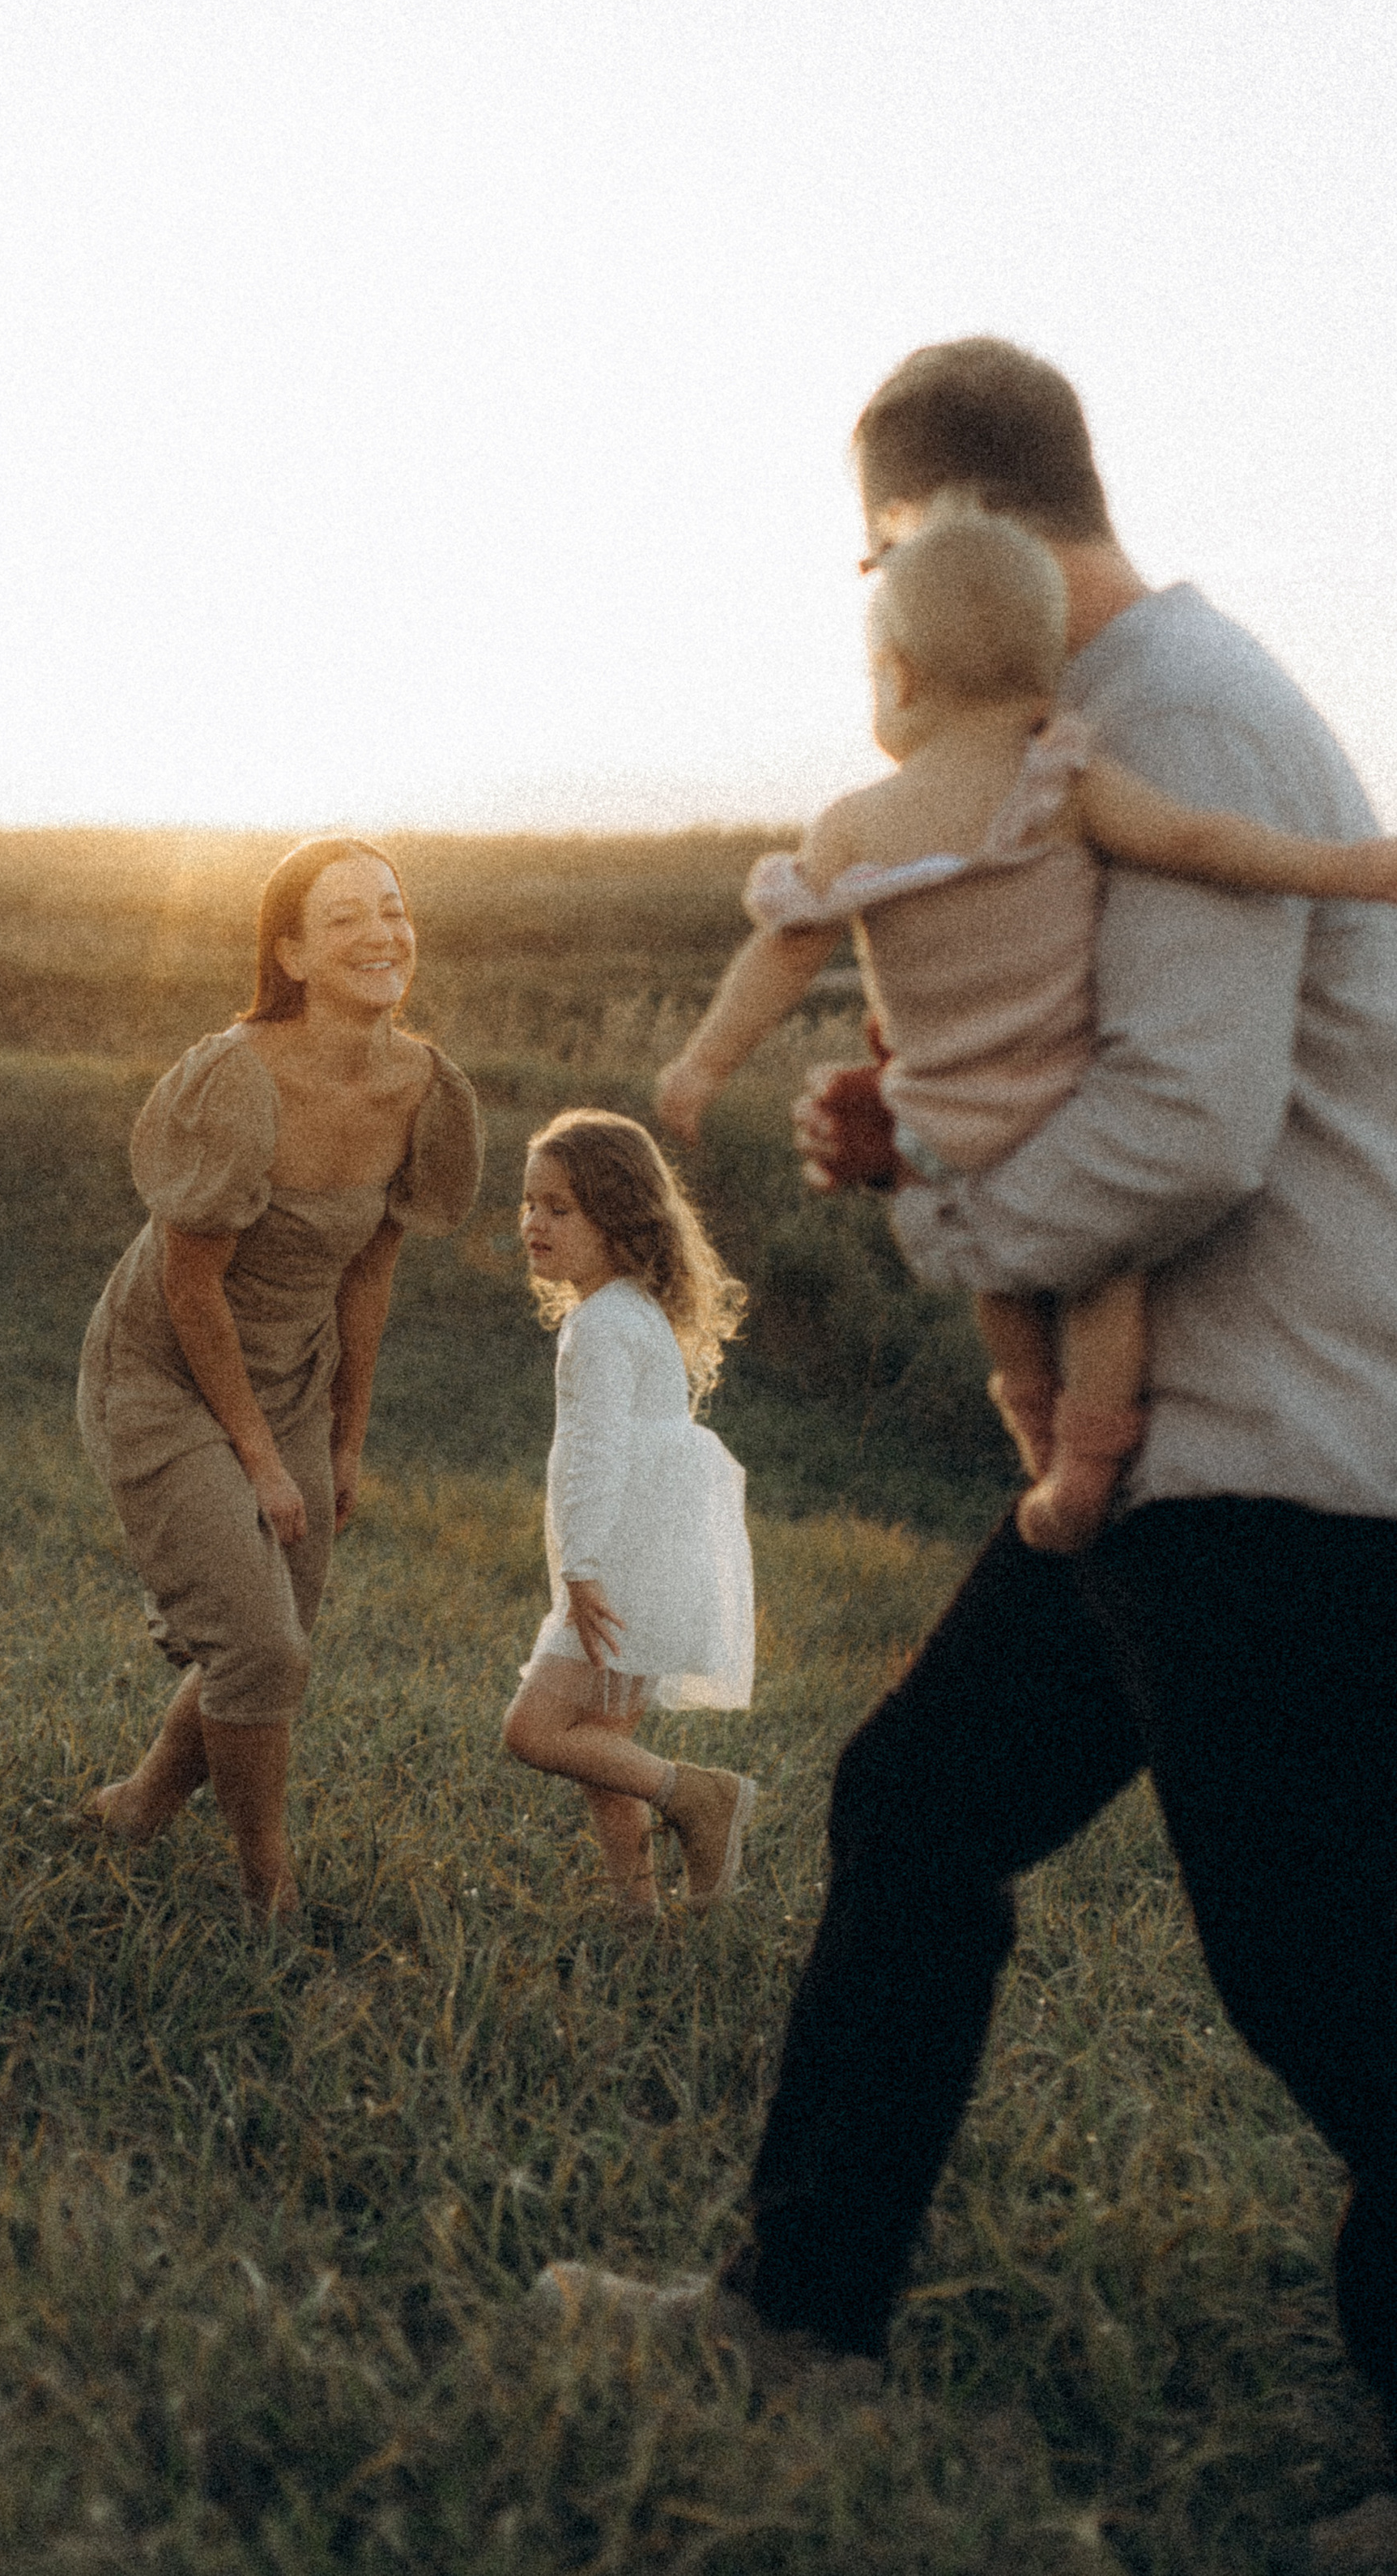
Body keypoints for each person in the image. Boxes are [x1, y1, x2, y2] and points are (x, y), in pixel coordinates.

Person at [548, 338, 1397, 2557]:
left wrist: (940, 1207)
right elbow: (1103, 1067)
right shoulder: (1088, 731)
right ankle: (793, 2326)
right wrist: (910, 1117)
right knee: (916, 1809)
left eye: (874, 562)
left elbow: (1192, 1135)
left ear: (924, 534)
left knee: (1321, 1972)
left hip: (1287, 1451)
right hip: (1179, 1437)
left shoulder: (1173, 715)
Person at [656, 500, 1397, 1547]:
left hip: (939, 1125)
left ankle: (1038, 1442)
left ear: (897, 677)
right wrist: (1349, 869)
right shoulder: (1062, 786)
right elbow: (1197, 841)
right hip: (1061, 1099)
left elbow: (781, 953)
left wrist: (702, 1064)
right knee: (1107, 1269)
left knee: (999, 1280)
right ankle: (1089, 1466)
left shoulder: (859, 824)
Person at [78, 837, 483, 1918]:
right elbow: (189, 1285)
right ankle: (270, 1892)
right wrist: (260, 1462)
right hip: (165, 1371)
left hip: (296, 1377)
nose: (380, 934)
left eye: (392, 910)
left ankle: (140, 1805)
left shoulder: (424, 1089)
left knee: (274, 1642)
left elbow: (369, 1276)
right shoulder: (235, 1080)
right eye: (344, 917)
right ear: (293, 953)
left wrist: (343, 1442)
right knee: (257, 1647)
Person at [501, 1110, 756, 1916]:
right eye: (529, 1204)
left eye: (560, 1208)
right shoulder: (630, 1312)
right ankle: (635, 1906)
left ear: (619, 1218)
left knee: (534, 1733)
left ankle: (700, 1797)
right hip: (648, 1551)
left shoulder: (601, 1325)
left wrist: (580, 1568)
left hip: (618, 1560)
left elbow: (597, 1454)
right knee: (599, 1744)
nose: (535, 1224)